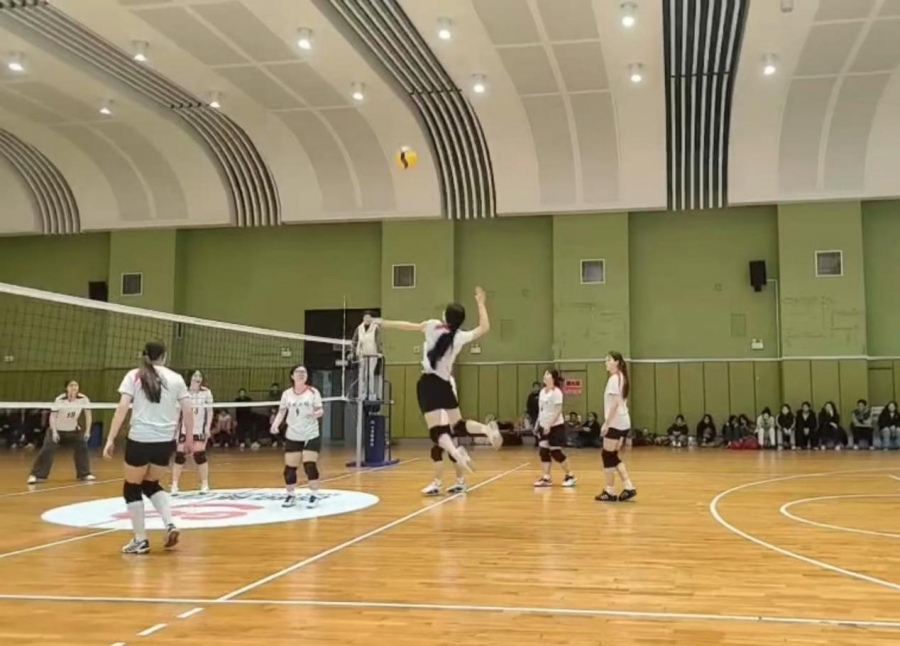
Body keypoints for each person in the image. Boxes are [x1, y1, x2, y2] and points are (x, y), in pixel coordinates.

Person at [377, 286, 502, 495]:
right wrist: (481, 302)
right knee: (459, 425)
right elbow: (484, 327)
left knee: (437, 432)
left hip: (428, 384)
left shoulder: (433, 325)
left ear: (445, 316)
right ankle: (486, 429)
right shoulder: (460, 336)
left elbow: (408, 326)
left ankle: (457, 454)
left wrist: (384, 322)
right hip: (445, 384)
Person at [103, 341, 191, 555]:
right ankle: (170, 523)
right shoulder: (176, 378)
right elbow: (188, 411)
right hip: (165, 442)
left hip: (140, 440)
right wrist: (188, 439)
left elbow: (122, 408)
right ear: (164, 356)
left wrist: (110, 439)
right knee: (151, 484)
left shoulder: (134, 375)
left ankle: (140, 539)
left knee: (132, 487)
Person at [270, 365, 324, 508]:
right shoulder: (287, 394)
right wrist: (275, 425)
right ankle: (290, 495)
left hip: (311, 434)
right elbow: (282, 412)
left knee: (309, 465)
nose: (301, 374)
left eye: (304, 372)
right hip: (293, 434)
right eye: (298, 372)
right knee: (289, 469)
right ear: (292, 376)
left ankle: (314, 495)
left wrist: (315, 413)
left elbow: (320, 410)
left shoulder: (313, 392)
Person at [27, 380, 95, 484]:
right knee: (46, 450)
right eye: (71, 385)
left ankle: (84, 474)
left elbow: (88, 415)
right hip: (57, 430)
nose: (74, 387)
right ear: (66, 388)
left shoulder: (83, 399)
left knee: (82, 447)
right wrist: (54, 432)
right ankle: (35, 475)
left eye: (76, 385)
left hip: (73, 431)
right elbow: (52, 417)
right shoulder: (60, 400)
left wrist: (88, 431)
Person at [595, 351, 636, 502]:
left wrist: (606, 423)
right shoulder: (622, 377)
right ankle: (628, 486)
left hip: (615, 422)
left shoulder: (614, 379)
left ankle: (610, 491)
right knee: (612, 455)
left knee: (607, 455)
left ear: (617, 362)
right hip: (624, 422)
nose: (606, 362)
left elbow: (614, 404)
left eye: (609, 360)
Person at [171, 370, 214, 495]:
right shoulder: (183, 392)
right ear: (190, 378)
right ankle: (174, 485)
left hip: (199, 429)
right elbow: (177, 412)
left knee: (200, 456)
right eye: (195, 375)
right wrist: (174, 429)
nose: (198, 378)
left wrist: (207, 428)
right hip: (184, 429)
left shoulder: (206, 392)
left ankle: (205, 484)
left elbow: (210, 412)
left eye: (200, 376)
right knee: (180, 456)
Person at [533, 370, 576, 488]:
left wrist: (549, 424)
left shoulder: (557, 392)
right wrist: (537, 424)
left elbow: (558, 410)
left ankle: (570, 475)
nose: (544, 375)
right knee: (543, 451)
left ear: (553, 378)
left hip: (555, 427)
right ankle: (546, 478)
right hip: (543, 426)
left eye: (547, 374)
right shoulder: (542, 392)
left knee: (555, 452)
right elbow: (541, 410)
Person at [353, 311, 383, 401]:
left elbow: (378, 341)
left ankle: (371, 393)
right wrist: (353, 352)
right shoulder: (359, 328)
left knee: (369, 374)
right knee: (362, 375)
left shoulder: (375, 328)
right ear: (363, 319)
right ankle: (362, 393)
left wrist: (380, 352)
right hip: (362, 355)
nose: (367, 319)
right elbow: (354, 341)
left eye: (369, 317)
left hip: (372, 354)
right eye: (366, 317)